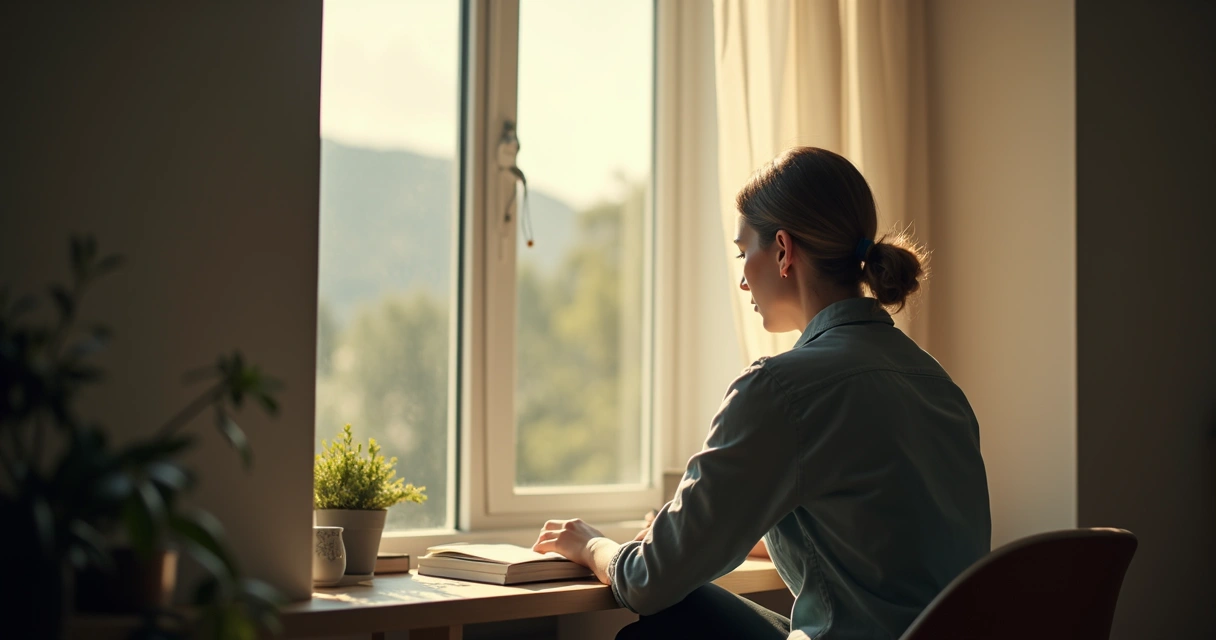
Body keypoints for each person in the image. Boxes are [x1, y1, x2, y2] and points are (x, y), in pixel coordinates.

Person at [533, 147, 991, 639]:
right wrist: (721, 532)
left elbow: (648, 580)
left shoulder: (781, 388)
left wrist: (592, 545)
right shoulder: (937, 384)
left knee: (667, 618)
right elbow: (877, 539)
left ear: (783, 250)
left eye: (742, 253)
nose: (742, 279)